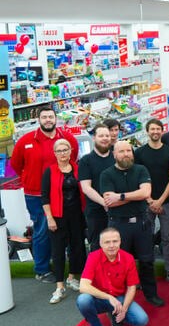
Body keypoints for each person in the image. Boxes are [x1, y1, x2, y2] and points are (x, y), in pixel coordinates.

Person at [13, 105, 79, 282]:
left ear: (56, 119)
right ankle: (41, 269)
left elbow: (73, 160)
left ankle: (63, 265)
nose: (48, 120)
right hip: (35, 194)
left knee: (64, 228)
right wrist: (29, 178)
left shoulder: (68, 139)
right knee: (42, 230)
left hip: (64, 192)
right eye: (44, 117)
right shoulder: (26, 140)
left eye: (51, 116)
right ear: (39, 120)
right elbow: (15, 164)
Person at [100, 140, 164, 307]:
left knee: (147, 261)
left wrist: (120, 196)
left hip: (141, 224)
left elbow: (145, 192)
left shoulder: (141, 170)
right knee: (118, 263)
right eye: (122, 151)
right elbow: (109, 202)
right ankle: (119, 298)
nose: (126, 154)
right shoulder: (106, 174)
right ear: (114, 154)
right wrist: (134, 196)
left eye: (129, 150)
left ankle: (151, 295)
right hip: (118, 226)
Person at [76, 227, 149, 326]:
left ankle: (115, 315)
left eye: (115, 241)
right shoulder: (93, 257)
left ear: (120, 241)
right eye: (107, 242)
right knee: (83, 299)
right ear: (100, 244)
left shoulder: (128, 258)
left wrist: (124, 309)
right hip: (98, 299)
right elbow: (83, 286)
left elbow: (131, 287)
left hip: (119, 298)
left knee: (142, 320)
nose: (111, 245)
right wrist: (109, 297)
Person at [134, 118, 169, 284]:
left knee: (168, 238)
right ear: (147, 132)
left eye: (158, 129)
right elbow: (138, 178)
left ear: (162, 131)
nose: (155, 132)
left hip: (167, 202)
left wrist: (160, 200)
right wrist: (149, 200)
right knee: (145, 238)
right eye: (152, 129)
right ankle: (145, 275)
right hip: (145, 202)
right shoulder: (139, 153)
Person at [42, 138, 85, 304]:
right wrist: (50, 218)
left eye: (65, 150)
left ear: (70, 152)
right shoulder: (49, 172)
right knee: (58, 251)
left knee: (77, 248)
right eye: (59, 151)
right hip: (57, 217)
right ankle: (59, 287)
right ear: (54, 153)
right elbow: (44, 197)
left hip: (76, 216)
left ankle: (72, 278)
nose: (62, 154)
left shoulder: (77, 169)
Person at [78, 124, 115, 255]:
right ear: (94, 138)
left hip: (118, 209)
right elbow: (86, 188)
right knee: (97, 245)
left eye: (107, 136)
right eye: (101, 136)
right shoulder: (85, 161)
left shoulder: (117, 158)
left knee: (117, 244)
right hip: (95, 211)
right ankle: (97, 274)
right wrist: (104, 202)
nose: (104, 138)